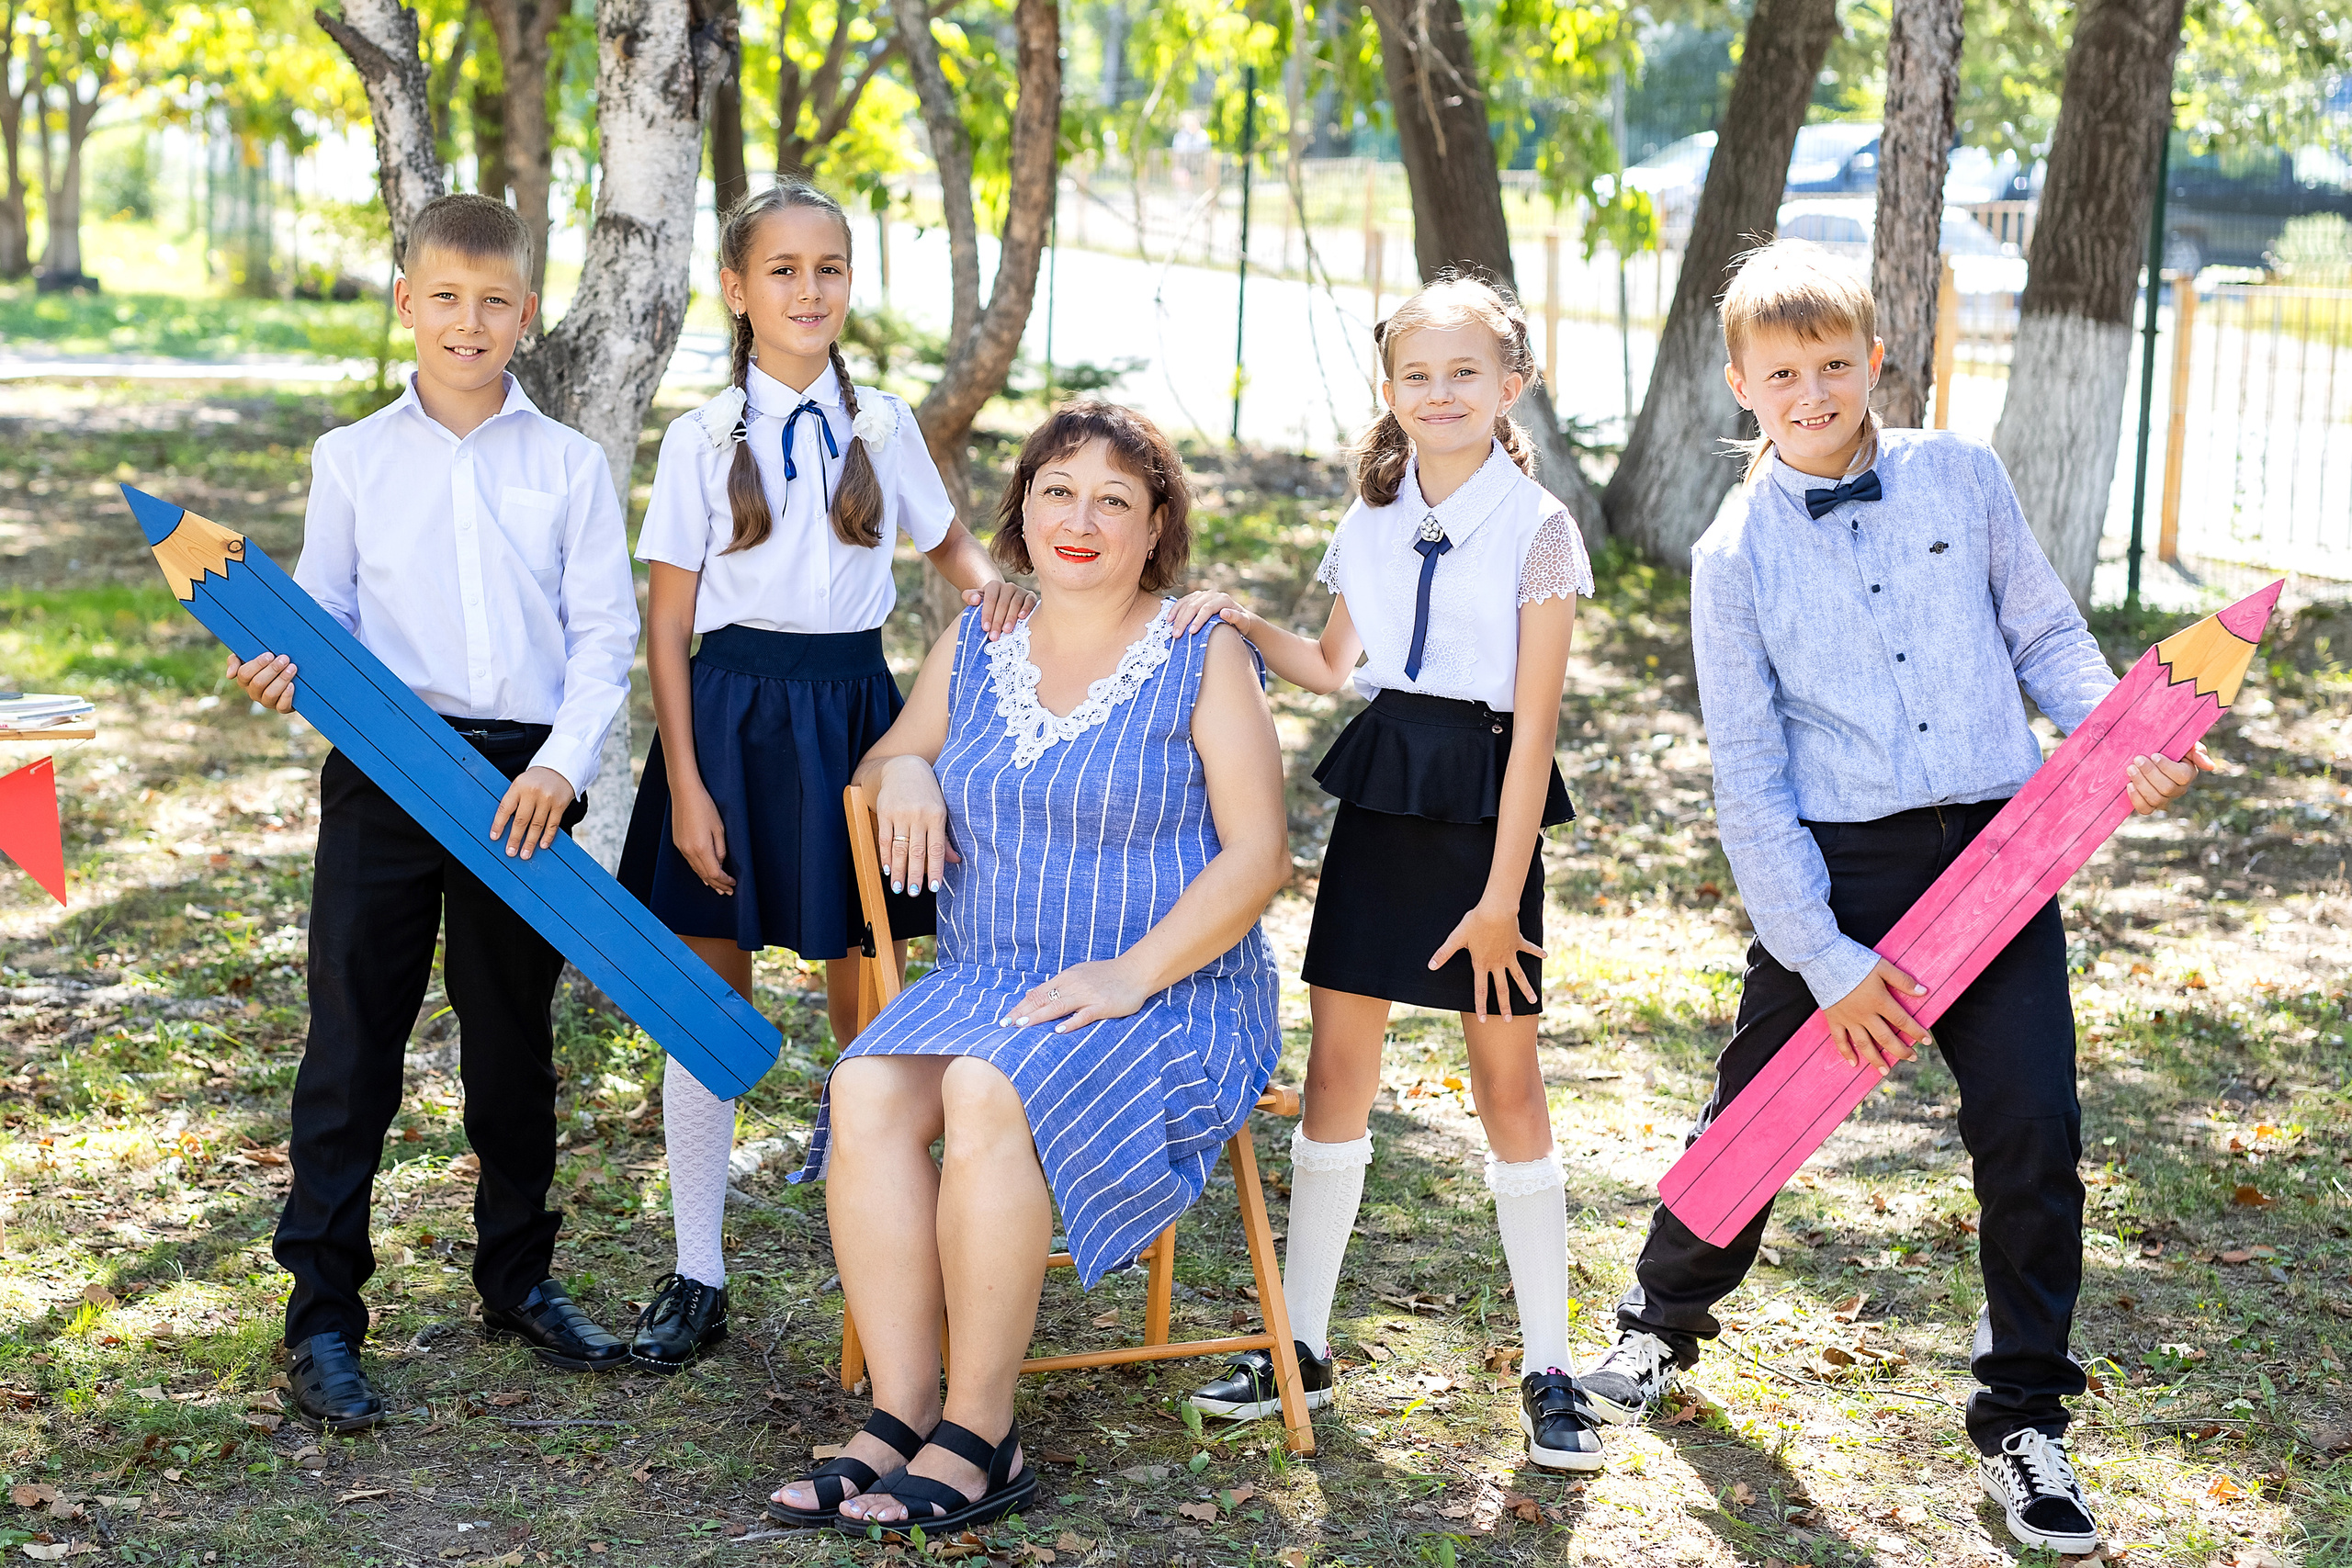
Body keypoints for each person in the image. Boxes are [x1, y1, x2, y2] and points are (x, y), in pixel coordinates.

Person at [1574, 240, 2209, 1552]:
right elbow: (1749, 774)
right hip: (1840, 868)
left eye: (1835, 362)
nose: (1814, 391)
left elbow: (2043, 633)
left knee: (2034, 1122)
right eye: (1783, 372)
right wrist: (1822, 952)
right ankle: (1653, 1326)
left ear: (1878, 357)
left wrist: (2113, 742)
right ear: (1742, 384)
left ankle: (2025, 1417)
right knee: (1758, 1113)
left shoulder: (1961, 475)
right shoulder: (1731, 551)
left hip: (2000, 846)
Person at [760, 402, 1289, 1532]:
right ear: (1022, 509)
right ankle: (901, 1415)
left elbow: (1260, 856)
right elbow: (896, 746)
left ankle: (981, 1432)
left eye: (1114, 500)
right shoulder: (981, 637)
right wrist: (904, 770)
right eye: (1058, 491)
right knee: (861, 1084)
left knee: (984, 1086)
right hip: (992, 975)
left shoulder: (1204, 651)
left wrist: (1132, 974)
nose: (1080, 519)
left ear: (1156, 528)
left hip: (1168, 989)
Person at [1169, 275, 1601, 1472]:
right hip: (1380, 795)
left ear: (1511, 385)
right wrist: (1244, 624)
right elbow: (1333, 664)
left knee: (1507, 1087)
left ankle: (1551, 1362)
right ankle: (1300, 1339)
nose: (1442, 392)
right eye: (1419, 373)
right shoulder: (1366, 517)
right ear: (1391, 389)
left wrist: (1503, 897)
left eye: (1466, 372)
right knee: (1337, 1071)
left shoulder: (1539, 527)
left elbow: (1539, 730)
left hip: (1483, 818)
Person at [226, 193, 643, 1428]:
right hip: (385, 769)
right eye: (444, 297)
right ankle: (320, 1318)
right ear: (406, 301)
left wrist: (564, 766)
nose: (469, 322)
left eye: (494, 301)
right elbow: (323, 612)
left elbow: (604, 639)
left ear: (525, 313)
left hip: (525, 783)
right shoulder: (351, 456)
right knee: (352, 1044)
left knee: (514, 1044)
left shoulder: (567, 464)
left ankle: (518, 1276)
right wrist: (281, 663)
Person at [616, 181, 1030, 1374]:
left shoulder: (886, 425)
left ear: (850, 282)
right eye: (784, 270)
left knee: (876, 991)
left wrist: (1021, 609)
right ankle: (698, 1269)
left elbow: (956, 557)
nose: (809, 289)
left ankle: (893, 1254)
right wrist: (688, 785)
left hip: (858, 719)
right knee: (708, 1000)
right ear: (738, 290)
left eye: (830, 267)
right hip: (731, 719)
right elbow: (667, 630)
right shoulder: (699, 440)